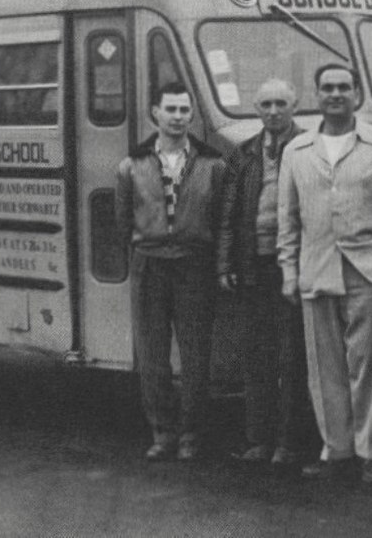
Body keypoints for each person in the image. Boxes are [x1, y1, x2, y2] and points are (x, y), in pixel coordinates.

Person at [277, 63, 372, 485]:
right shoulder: (296, 151)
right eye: (327, 87)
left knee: (368, 365)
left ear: (357, 95)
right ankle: (338, 450)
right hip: (316, 269)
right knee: (324, 368)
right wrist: (289, 272)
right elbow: (287, 219)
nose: (335, 94)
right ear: (316, 96)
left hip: (370, 269)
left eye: (343, 88)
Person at [115, 81, 225, 462]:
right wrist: (143, 248)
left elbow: (221, 220)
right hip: (149, 262)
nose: (178, 117)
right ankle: (162, 432)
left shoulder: (213, 164)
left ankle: (192, 435)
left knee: (195, 355)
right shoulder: (133, 164)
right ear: (155, 114)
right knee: (152, 354)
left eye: (184, 110)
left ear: (191, 115)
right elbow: (122, 219)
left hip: (194, 264)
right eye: (171, 110)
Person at [217, 78, 312, 468]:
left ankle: (289, 443)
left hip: (293, 267)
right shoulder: (244, 154)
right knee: (257, 355)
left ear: (295, 106)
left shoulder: (309, 148)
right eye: (266, 104)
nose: (273, 111)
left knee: (293, 358)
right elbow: (228, 214)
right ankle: (258, 440)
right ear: (256, 109)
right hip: (253, 266)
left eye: (281, 103)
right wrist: (225, 264)